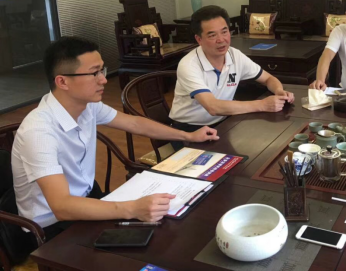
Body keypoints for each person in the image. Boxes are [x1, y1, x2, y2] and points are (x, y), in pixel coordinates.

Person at [11, 36, 219, 249]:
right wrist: (132, 208)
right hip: (50, 228)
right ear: (62, 82)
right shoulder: (38, 132)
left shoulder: (88, 105)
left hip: (87, 199)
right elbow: (62, 206)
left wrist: (188, 136)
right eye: (94, 73)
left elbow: (135, 123)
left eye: (102, 70)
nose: (103, 80)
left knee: (169, 227)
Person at [169, 6, 294, 149]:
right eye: (212, 35)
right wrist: (262, 105)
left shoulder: (235, 55)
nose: (221, 40)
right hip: (190, 130)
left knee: (266, 145)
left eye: (224, 32)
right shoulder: (189, 65)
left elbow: (268, 78)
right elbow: (213, 107)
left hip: (224, 122)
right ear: (199, 39)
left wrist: (279, 91)